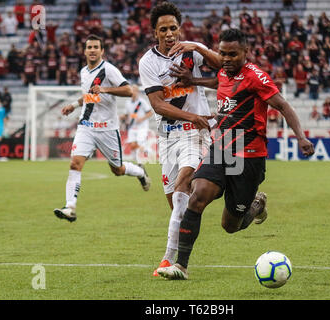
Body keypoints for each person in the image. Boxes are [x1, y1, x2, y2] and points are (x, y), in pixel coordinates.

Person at [157, 28, 314, 280]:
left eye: (233, 54)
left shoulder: (256, 77)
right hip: (222, 146)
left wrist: (301, 137)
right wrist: (193, 81)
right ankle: (181, 266)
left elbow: (282, 105)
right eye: (223, 54)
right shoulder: (224, 71)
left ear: (245, 52)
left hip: (249, 156)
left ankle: (255, 205)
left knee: (230, 226)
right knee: (196, 197)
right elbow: (219, 81)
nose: (227, 59)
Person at [138, 1, 221, 276]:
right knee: (177, 203)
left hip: (195, 134)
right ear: (155, 32)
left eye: (174, 27)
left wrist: (198, 47)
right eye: (164, 29)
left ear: (180, 28)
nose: (170, 33)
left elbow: (226, 71)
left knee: (184, 184)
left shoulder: (191, 52)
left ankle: (169, 261)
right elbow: (159, 105)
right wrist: (191, 116)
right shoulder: (148, 62)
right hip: (168, 136)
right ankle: (239, 195)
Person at [53, 34, 151, 223]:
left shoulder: (108, 70)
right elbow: (88, 96)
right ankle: (70, 207)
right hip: (86, 127)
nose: (92, 50)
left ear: (102, 50)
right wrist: (73, 105)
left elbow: (128, 90)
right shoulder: (83, 72)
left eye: (96, 47)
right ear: (84, 51)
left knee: (118, 169)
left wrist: (105, 89)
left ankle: (140, 172)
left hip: (107, 129)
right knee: (75, 164)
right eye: (89, 47)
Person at [122, 85, 154, 163]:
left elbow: (150, 112)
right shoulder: (127, 102)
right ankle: (137, 159)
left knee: (140, 142)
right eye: (132, 90)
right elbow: (127, 114)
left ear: (138, 92)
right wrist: (122, 117)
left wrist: (141, 118)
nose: (133, 92)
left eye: (135, 90)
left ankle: (147, 151)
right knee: (132, 144)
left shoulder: (142, 102)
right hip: (132, 126)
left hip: (142, 126)